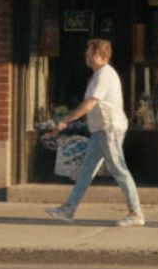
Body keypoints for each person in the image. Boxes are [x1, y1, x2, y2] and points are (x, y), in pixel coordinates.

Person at [46, 38, 144, 227]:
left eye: (89, 53)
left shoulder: (104, 75)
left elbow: (90, 103)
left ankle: (136, 213)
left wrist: (65, 120)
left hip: (109, 129)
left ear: (98, 55)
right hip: (101, 130)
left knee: (119, 169)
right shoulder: (100, 75)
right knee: (86, 171)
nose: (86, 56)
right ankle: (68, 210)